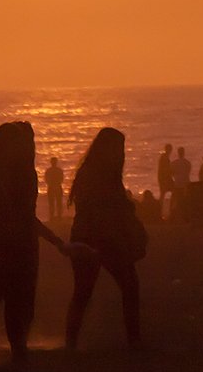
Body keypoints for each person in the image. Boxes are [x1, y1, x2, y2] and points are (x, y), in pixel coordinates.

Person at [0, 122, 89, 364]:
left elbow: (24, 215)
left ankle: (0, 344)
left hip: (17, 243)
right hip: (0, 243)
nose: (26, 147)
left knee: (12, 296)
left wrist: (55, 241)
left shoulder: (21, 172)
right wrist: (55, 241)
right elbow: (8, 212)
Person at [65, 127, 147, 350]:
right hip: (95, 238)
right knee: (89, 290)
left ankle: (132, 339)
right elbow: (97, 210)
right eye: (118, 148)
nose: (121, 153)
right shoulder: (95, 175)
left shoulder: (100, 174)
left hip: (99, 237)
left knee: (118, 287)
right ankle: (131, 340)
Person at [44, 155, 66, 221]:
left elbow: (47, 180)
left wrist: (53, 184)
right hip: (55, 187)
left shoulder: (50, 171)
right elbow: (61, 179)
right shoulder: (57, 170)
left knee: (56, 203)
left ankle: (56, 216)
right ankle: (54, 216)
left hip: (54, 187)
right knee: (54, 203)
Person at [157, 143, 175, 219]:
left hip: (164, 178)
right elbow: (165, 169)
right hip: (165, 179)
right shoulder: (165, 158)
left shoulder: (164, 157)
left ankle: (162, 210)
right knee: (170, 192)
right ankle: (165, 210)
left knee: (164, 194)